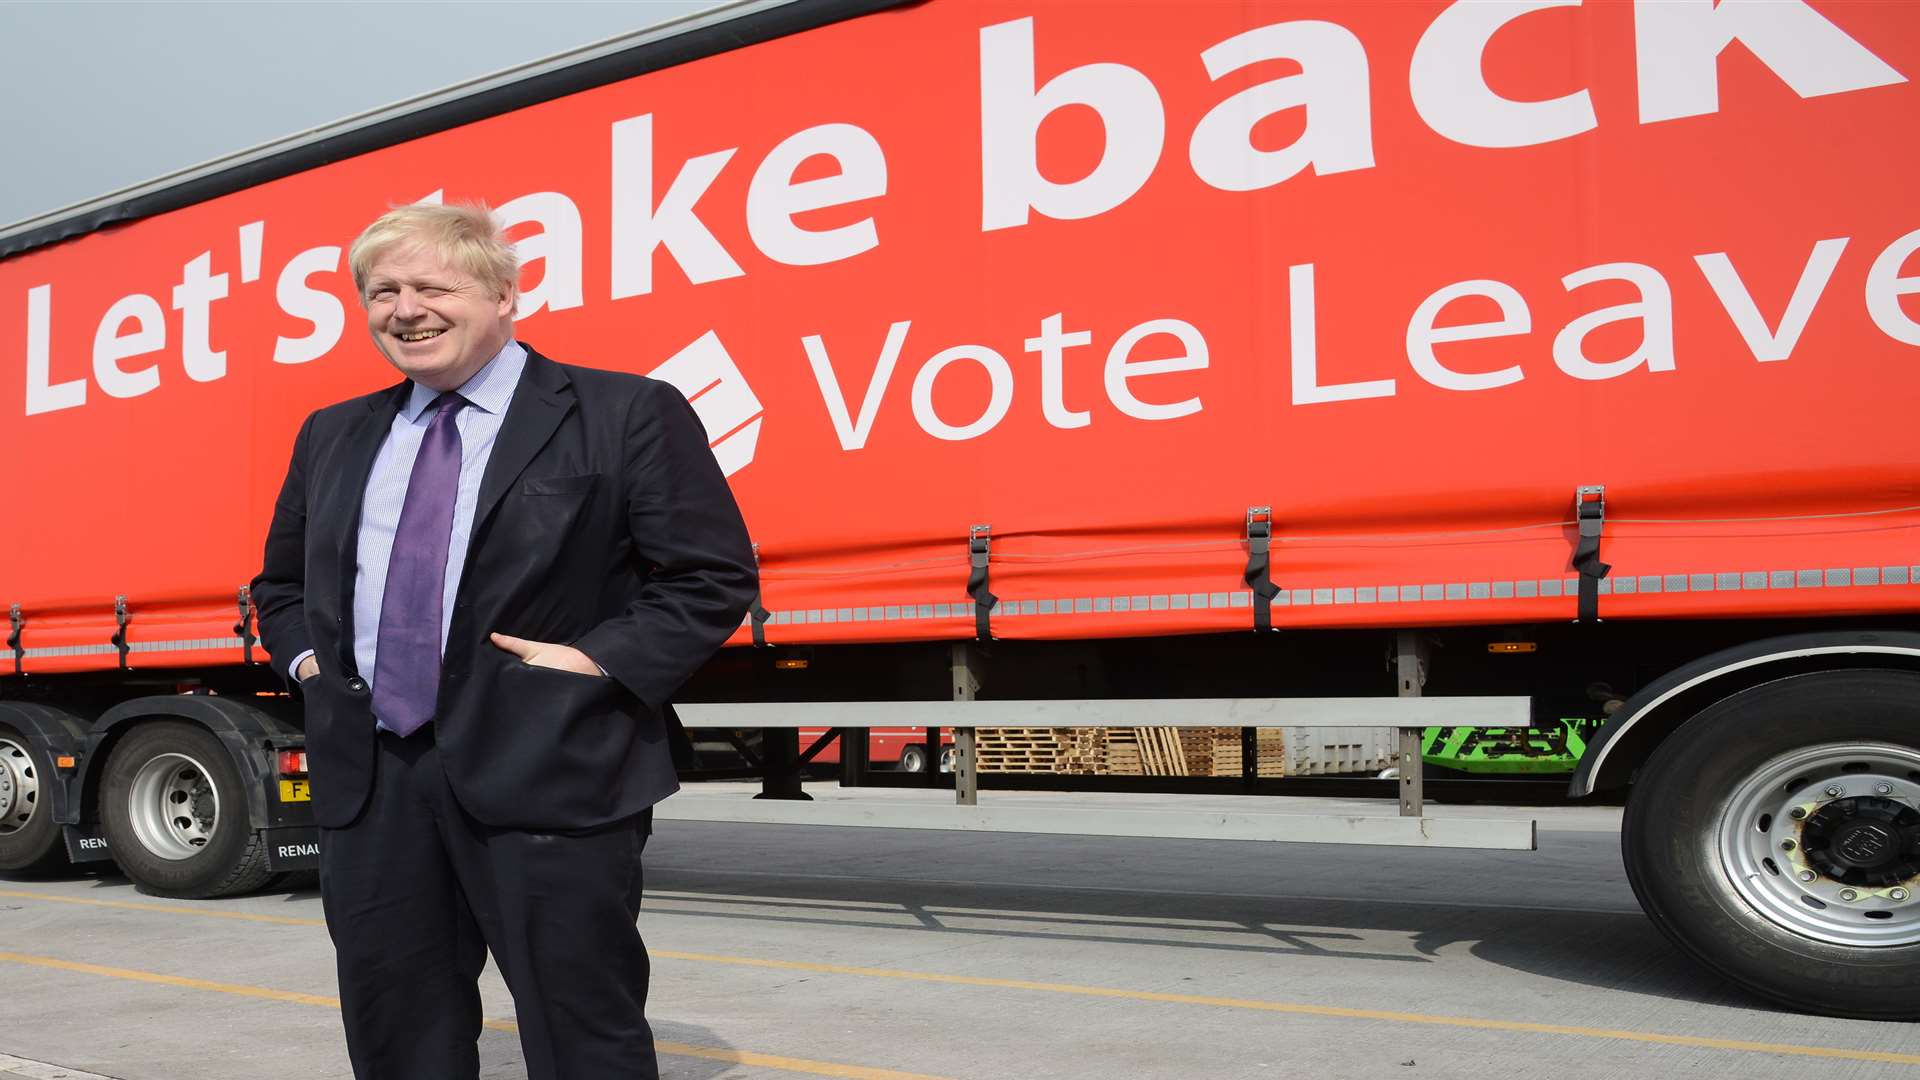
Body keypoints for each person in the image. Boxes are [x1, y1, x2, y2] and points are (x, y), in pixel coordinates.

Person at [251, 201, 756, 1079]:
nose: (404, 309)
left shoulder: (623, 412)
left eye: (431, 286)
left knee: (579, 1031)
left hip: (549, 765)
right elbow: (282, 584)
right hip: (372, 780)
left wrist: (595, 661)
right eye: (382, 292)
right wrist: (310, 666)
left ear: (503, 293)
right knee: (396, 1031)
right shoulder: (335, 433)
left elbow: (709, 577)